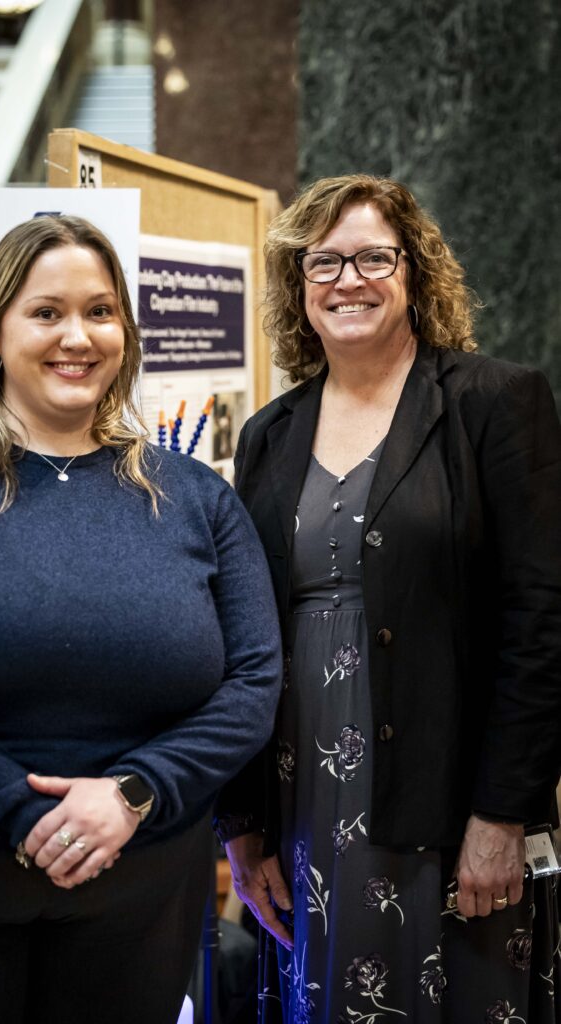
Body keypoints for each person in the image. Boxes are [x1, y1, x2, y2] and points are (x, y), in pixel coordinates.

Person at [0, 215, 282, 1024]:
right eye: (46, 312)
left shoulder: (194, 496)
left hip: (138, 892)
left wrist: (135, 792)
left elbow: (254, 679)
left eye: (101, 312)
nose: (78, 336)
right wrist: (25, 814)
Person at [214, 175, 561, 1022]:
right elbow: (244, 631)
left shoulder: (492, 402)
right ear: (299, 287)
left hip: (446, 794)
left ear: (414, 273)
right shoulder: (270, 433)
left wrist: (501, 814)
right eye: (322, 262)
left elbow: (541, 619)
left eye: (373, 257)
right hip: (300, 795)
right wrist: (244, 824)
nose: (347, 280)